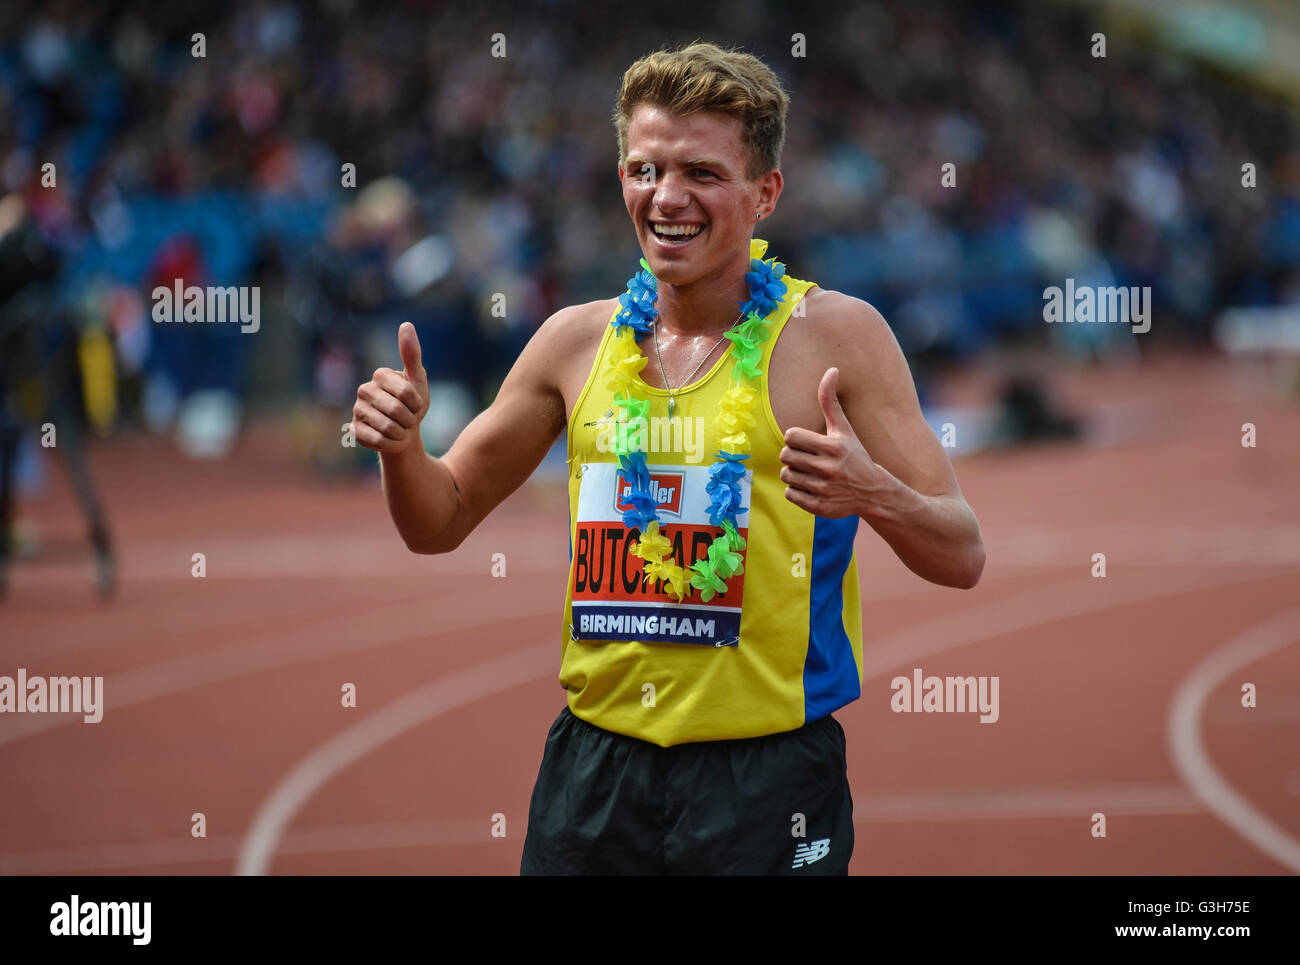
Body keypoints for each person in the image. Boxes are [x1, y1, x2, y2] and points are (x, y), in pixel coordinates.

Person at [352, 42, 984, 875]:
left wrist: (872, 492)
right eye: (645, 169)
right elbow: (442, 519)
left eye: (701, 172)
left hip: (767, 780)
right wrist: (403, 451)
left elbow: (962, 550)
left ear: (766, 192)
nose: (668, 196)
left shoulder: (835, 338)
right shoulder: (573, 343)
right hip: (593, 777)